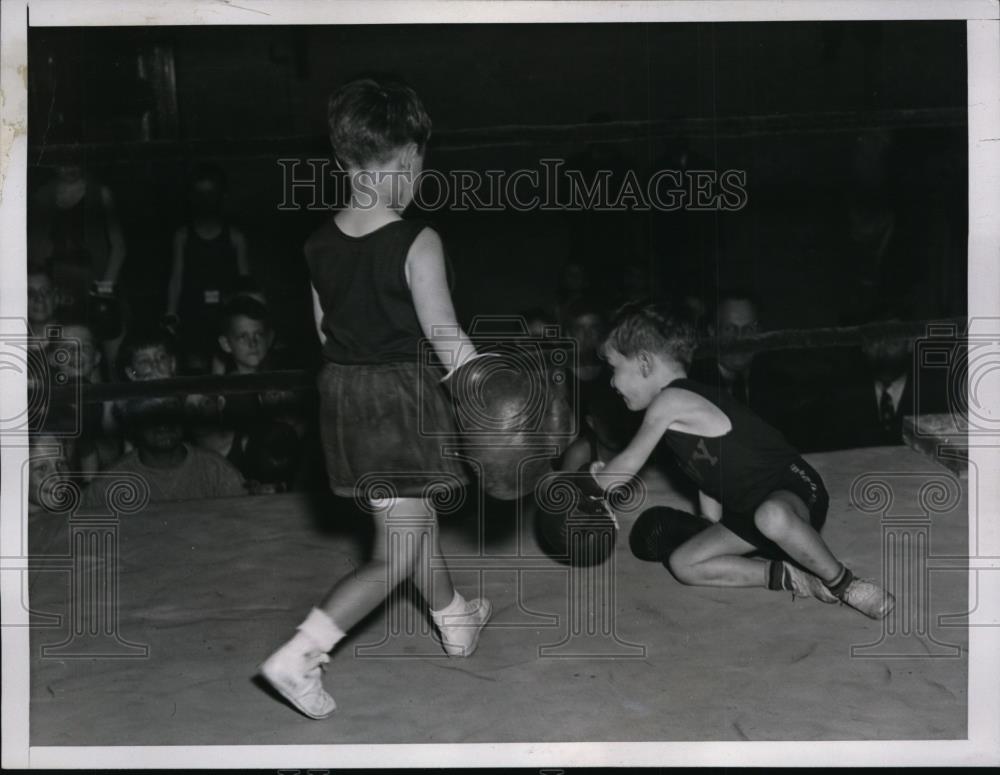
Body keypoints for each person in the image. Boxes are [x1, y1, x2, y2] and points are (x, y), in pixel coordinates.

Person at [258, 77, 492, 719]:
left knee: (411, 521)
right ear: (413, 156)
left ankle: (454, 617)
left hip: (343, 400)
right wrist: (494, 397)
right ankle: (300, 655)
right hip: (400, 404)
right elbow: (445, 339)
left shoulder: (317, 245)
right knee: (393, 557)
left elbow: (323, 333)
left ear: (343, 160)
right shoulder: (417, 240)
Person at [581, 301, 895, 620]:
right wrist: (713, 526)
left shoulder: (671, 400)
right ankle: (788, 575)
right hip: (749, 510)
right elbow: (708, 474)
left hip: (792, 489)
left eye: (613, 368)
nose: (611, 382)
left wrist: (590, 484)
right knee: (684, 563)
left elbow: (631, 462)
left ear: (644, 362)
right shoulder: (678, 411)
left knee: (771, 516)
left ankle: (844, 584)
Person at [83, 397, 246, 508]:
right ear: (134, 424)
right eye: (151, 412)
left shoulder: (216, 471)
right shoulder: (107, 485)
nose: (162, 424)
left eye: (170, 409)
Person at [165, 163, 251, 373]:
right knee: (196, 366)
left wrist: (246, 312)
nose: (206, 200)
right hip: (193, 314)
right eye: (200, 194)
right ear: (192, 198)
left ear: (222, 196)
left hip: (225, 312)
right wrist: (170, 313)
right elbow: (176, 278)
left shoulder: (235, 236)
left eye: (211, 193)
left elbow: (245, 279)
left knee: (225, 365)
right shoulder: (183, 236)